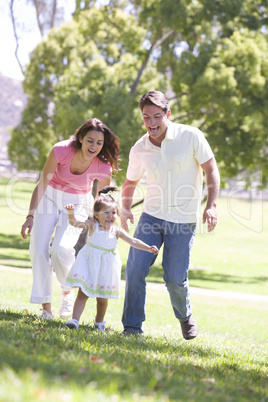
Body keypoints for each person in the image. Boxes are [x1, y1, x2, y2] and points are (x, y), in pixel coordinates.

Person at [121, 90, 220, 339]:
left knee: (175, 278)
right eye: (146, 117)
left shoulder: (191, 136)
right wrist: (124, 207)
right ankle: (132, 327)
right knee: (134, 270)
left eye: (156, 116)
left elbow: (210, 168)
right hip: (151, 217)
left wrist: (212, 205)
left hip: (183, 220)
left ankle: (184, 316)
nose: (151, 123)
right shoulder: (139, 148)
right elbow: (130, 182)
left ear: (168, 113)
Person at [20, 118, 120, 320]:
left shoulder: (103, 166)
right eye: (90, 140)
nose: (94, 146)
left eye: (99, 143)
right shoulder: (61, 150)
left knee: (62, 249)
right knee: (38, 251)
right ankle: (46, 309)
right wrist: (30, 215)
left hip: (78, 202)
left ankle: (66, 290)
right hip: (49, 197)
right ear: (81, 138)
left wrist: (104, 222)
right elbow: (42, 184)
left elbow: (102, 199)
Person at [64, 186, 159, 331]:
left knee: (102, 299)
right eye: (106, 213)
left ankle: (99, 322)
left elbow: (133, 241)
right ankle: (75, 320)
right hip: (90, 263)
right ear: (96, 215)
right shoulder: (92, 226)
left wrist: (147, 247)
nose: (110, 216)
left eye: (113, 213)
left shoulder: (117, 231)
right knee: (83, 293)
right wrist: (71, 214)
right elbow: (75, 223)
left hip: (106, 268)